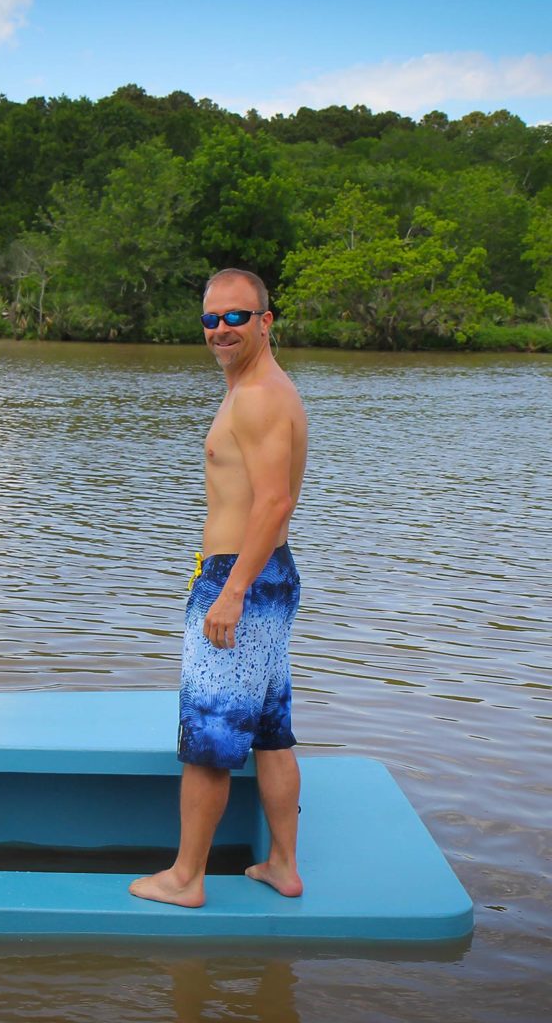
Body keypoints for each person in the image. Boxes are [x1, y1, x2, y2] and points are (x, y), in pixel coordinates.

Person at [130, 268, 307, 907]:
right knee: (269, 730)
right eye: (211, 319)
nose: (222, 330)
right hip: (270, 575)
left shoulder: (258, 396)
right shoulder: (260, 388)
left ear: (266, 321)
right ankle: (282, 865)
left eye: (237, 317)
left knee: (208, 740)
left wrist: (230, 590)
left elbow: (273, 501)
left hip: (243, 580)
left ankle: (186, 878)